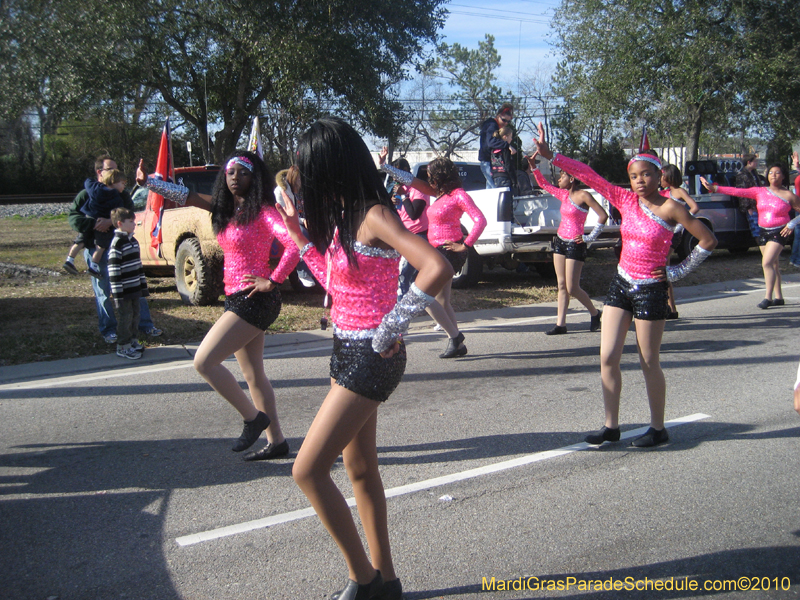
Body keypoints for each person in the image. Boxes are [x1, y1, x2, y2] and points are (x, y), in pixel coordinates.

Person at [275, 117, 451, 600]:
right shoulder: (340, 216)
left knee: (307, 470)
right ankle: (387, 580)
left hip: (373, 353)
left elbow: (437, 265)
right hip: (345, 350)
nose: (300, 175)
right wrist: (296, 232)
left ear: (329, 166)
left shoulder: (374, 214)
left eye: (306, 166)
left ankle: (363, 577)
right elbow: (333, 282)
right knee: (360, 470)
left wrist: (394, 324)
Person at [533, 122, 717, 448]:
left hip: (651, 289)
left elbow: (707, 239)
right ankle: (610, 426)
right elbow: (590, 176)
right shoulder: (624, 199)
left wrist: (675, 273)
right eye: (634, 176)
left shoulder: (671, 207)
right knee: (607, 357)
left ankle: (658, 429)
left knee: (649, 361)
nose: (639, 181)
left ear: (660, 176)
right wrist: (553, 156)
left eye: (646, 174)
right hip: (621, 284)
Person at [136, 151, 299, 460]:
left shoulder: (264, 211)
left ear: (255, 178)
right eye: (230, 172)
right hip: (235, 298)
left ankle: (253, 419)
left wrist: (274, 279)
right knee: (253, 375)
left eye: (243, 172)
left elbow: (293, 243)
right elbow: (184, 194)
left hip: (256, 299)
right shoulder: (223, 208)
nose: (235, 176)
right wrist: (151, 184)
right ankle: (276, 441)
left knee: (204, 361)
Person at [381, 157, 487, 358]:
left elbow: (480, 220)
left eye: (431, 176)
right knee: (442, 300)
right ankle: (456, 343)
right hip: (436, 250)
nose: (428, 179)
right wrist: (385, 167)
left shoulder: (458, 195)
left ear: (441, 176)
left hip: (447, 251)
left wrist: (465, 245)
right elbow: (410, 180)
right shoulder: (439, 194)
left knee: (421, 295)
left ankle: (455, 337)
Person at [68, 155, 163, 344]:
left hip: (122, 248)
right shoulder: (86, 194)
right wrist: (93, 223)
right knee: (103, 291)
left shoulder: (121, 193)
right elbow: (73, 217)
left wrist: (109, 224)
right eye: (110, 169)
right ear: (99, 173)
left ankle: (145, 325)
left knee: (135, 287)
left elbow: (129, 214)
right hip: (96, 249)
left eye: (116, 169)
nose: (115, 173)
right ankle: (109, 330)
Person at [528, 152, 607, 335]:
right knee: (561, 284)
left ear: (572, 178)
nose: (559, 178)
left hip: (575, 243)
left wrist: (589, 238)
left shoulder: (584, 196)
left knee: (572, 287)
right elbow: (544, 185)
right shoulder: (563, 195)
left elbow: (603, 215)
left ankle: (595, 313)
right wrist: (534, 167)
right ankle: (561, 324)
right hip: (560, 242)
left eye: (563, 176)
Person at [701, 163, 800, 309]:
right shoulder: (759, 191)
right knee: (773, 264)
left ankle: (768, 297)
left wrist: (791, 224)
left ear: (783, 176)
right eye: (771, 172)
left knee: (766, 263)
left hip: (779, 231)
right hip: (763, 231)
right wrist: (715, 188)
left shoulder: (789, 195)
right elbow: (736, 191)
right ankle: (779, 296)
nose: (773, 175)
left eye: (777, 173)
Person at [377, 147, 432, 298]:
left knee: (404, 275)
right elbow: (402, 214)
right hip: (404, 236)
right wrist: (395, 202)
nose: (395, 178)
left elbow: (414, 214)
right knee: (398, 276)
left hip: (417, 237)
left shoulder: (417, 189)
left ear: (406, 171)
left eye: (397, 173)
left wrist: (405, 196)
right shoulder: (402, 189)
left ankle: (403, 310)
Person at [107, 207, 148, 360]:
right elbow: (113, 270)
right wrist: (117, 294)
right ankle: (123, 346)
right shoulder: (117, 243)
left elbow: (138, 266)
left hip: (135, 287)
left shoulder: (133, 241)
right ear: (120, 223)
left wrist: (142, 286)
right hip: (123, 291)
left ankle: (133, 341)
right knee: (125, 317)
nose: (134, 224)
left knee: (135, 315)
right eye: (130, 221)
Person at [660, 164, 700, 319]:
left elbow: (695, 207)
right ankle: (671, 308)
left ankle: (670, 307)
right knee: (664, 268)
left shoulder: (679, 192)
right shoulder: (663, 193)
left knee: (663, 267)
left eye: (662, 176)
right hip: (664, 233)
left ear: (669, 177)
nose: (660, 179)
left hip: (674, 234)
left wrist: (682, 222)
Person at [81, 169, 128, 278]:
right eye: (123, 184)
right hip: (104, 228)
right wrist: (110, 221)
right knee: (101, 247)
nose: (124, 187)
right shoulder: (116, 196)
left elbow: (88, 181)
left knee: (80, 242)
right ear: (114, 182)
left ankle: (70, 258)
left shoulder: (95, 188)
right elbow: (120, 213)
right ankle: (93, 267)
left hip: (91, 219)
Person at [275, 166, 316, 288]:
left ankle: (320, 269)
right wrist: (304, 221)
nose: (302, 181)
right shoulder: (281, 191)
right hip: (287, 223)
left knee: (320, 232)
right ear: (293, 178)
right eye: (299, 178)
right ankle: (303, 273)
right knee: (302, 233)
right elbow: (284, 214)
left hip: (303, 221)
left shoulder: (303, 191)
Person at [478, 103, 515, 188]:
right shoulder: (492, 125)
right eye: (504, 120)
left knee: (490, 187)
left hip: (488, 160)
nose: (506, 123)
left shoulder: (495, 126)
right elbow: (491, 142)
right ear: (498, 116)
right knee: (494, 187)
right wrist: (507, 146)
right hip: (487, 160)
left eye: (508, 121)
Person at [734, 153, 765, 239]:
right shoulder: (742, 175)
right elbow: (742, 193)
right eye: (755, 161)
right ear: (749, 162)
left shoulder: (754, 174)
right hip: (751, 206)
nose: (756, 163)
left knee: (762, 228)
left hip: (759, 205)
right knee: (756, 229)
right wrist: (748, 207)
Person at [490, 125, 519, 195]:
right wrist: (514, 180)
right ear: (505, 137)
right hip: (505, 177)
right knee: (507, 200)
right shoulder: (505, 149)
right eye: (510, 137)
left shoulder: (493, 149)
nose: (511, 139)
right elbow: (508, 165)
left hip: (496, 177)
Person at [789, 151, 800, 268]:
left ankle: (794, 259)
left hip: (798, 206)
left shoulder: (797, 178)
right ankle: (797, 260)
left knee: (798, 234)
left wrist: (796, 165)